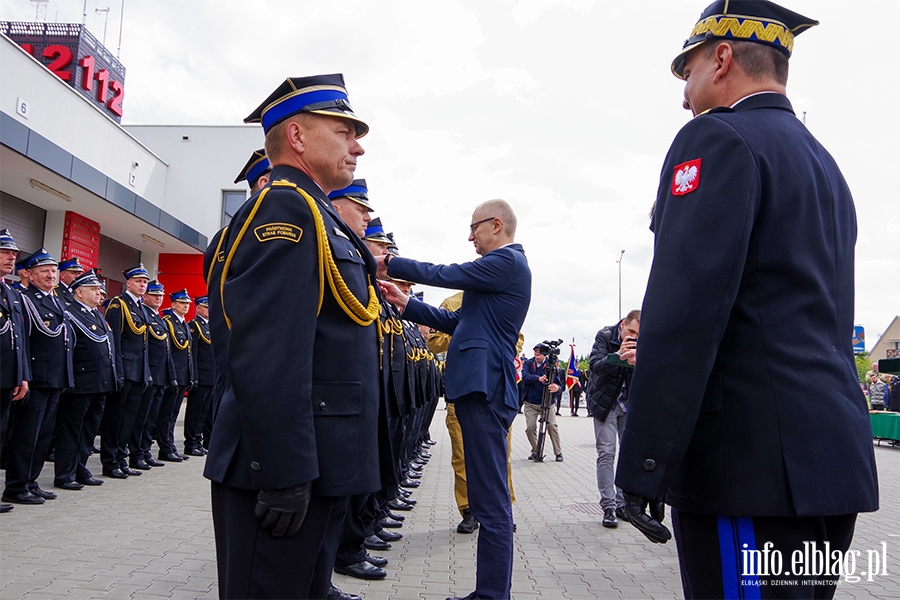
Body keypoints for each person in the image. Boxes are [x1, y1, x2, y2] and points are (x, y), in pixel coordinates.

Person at [614, 2, 879, 597]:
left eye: (688, 71)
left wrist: (646, 463)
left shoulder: (716, 138)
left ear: (723, 57)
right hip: (827, 463)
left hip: (746, 467)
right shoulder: (824, 165)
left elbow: (685, 313)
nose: (684, 94)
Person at [204, 74, 383, 600]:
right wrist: (282, 471)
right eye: (344, 130)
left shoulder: (318, 212)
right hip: (285, 469)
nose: (358, 145)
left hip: (318, 463)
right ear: (299, 137)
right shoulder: (285, 207)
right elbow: (268, 352)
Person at [379, 198, 531, 600]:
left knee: (492, 501)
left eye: (475, 227)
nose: (471, 236)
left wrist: (390, 262)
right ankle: (490, 592)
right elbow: (458, 322)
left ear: (496, 224)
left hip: (484, 387)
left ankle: (492, 595)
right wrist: (405, 302)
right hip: (477, 386)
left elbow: (446, 273)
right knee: (485, 496)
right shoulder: (498, 274)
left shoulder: (507, 262)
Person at [4, 248, 74, 505]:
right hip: (36, 376)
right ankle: (16, 485)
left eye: (53, 270)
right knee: (26, 436)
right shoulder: (24, 299)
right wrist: (24, 375)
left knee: (43, 435)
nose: (50, 275)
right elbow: (22, 340)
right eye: (44, 270)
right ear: (29, 274)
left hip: (55, 377)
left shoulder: (56, 300)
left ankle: (31, 481)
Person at [53, 269, 115, 490]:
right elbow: (69, 350)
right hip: (81, 381)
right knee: (71, 430)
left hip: (100, 382)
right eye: (93, 289)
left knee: (88, 431)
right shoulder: (70, 312)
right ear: (79, 292)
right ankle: (64, 473)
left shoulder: (96, 314)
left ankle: (80, 468)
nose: (98, 293)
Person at [586, 310, 640, 528]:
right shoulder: (605, 336)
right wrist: (617, 356)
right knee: (607, 453)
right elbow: (595, 367)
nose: (634, 337)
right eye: (631, 331)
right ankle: (608, 506)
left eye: (639, 334)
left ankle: (622, 504)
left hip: (629, 404)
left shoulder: (645, 342)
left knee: (627, 456)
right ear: (622, 324)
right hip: (605, 404)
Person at [101, 263, 151, 479]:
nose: (142, 285)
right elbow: (116, 341)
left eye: (145, 282)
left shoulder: (141, 307)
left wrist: (146, 371)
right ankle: (110, 462)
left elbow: (144, 344)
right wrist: (117, 371)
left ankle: (122, 458)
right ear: (128, 283)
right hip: (125, 369)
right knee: (116, 419)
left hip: (138, 371)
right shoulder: (117, 305)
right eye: (138, 281)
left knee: (129, 419)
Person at [128, 279, 174, 471]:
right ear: (145, 297)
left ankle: (145, 451)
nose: (158, 299)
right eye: (154, 295)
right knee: (141, 418)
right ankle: (137, 453)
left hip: (160, 375)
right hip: (149, 375)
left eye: (160, 296)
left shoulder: (158, 317)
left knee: (152, 417)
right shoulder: (144, 314)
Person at [0, 229, 30, 513]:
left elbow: (18, 338)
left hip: (7, 378)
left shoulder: (9, 291)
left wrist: (21, 375)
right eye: (6, 252)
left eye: (14, 254)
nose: (12, 258)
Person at [158, 289, 194, 463]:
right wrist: (171, 375)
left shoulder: (183, 324)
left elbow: (188, 354)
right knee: (167, 414)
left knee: (173, 414)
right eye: (181, 303)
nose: (185, 306)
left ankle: (170, 445)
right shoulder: (169, 322)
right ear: (173, 304)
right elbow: (168, 352)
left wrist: (190, 375)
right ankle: (165, 447)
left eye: (187, 303)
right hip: (174, 375)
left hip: (183, 375)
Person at [521, 343, 563, 462]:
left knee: (551, 426)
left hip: (547, 402)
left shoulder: (551, 366)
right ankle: (536, 451)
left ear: (545, 354)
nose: (537, 354)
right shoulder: (529, 363)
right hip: (530, 402)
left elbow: (560, 385)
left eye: (539, 352)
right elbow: (525, 376)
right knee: (530, 427)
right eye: (535, 352)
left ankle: (558, 452)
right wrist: (537, 378)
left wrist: (557, 388)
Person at [183, 296, 213, 456]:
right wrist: (193, 375)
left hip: (211, 375)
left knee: (205, 412)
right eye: (205, 307)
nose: (209, 310)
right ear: (198, 308)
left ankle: (199, 441)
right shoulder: (194, 326)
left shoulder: (210, 326)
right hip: (201, 374)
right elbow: (192, 354)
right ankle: (191, 442)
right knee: (196, 411)